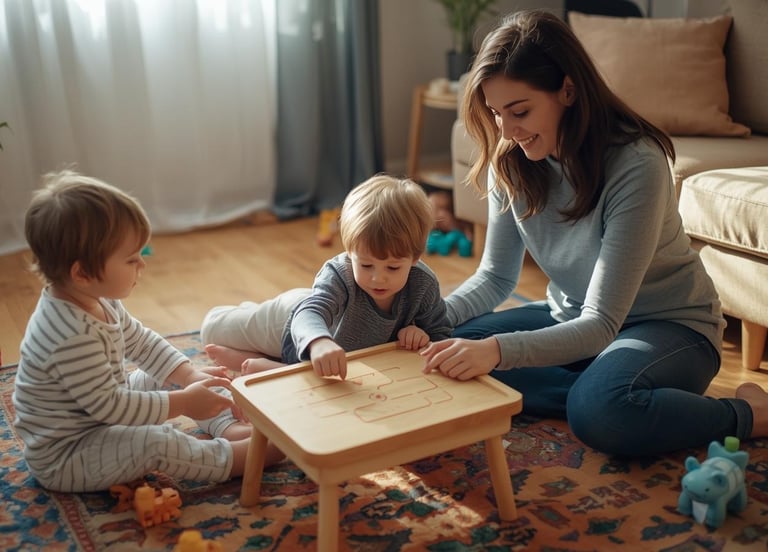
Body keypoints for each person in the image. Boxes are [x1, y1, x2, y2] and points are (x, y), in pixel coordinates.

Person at [420, 10, 767, 457]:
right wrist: (430, 320)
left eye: (520, 111)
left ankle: (747, 415)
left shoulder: (636, 163)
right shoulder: (511, 161)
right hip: (571, 322)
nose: (506, 130)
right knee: (448, 350)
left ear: (568, 89)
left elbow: (602, 322)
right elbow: (495, 279)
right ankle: (608, 393)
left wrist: (498, 354)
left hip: (669, 330)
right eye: (496, 113)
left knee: (594, 408)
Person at [12, 170, 283, 493]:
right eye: (130, 260)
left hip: (101, 417)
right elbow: (110, 406)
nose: (142, 265)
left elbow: (142, 342)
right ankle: (236, 458)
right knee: (156, 442)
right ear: (82, 272)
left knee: (168, 376)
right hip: (70, 454)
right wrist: (182, 403)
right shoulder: (69, 335)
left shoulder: (97, 298)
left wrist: (188, 377)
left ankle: (226, 424)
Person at [202, 174, 452, 380]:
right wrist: (319, 341)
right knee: (211, 330)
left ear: (416, 257)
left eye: (393, 268)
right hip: (291, 320)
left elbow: (441, 333)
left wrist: (422, 334)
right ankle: (264, 351)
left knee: (331, 381)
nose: (378, 278)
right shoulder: (339, 274)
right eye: (365, 265)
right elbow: (308, 315)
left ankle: (264, 364)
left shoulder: (424, 284)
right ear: (349, 251)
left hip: (336, 352)